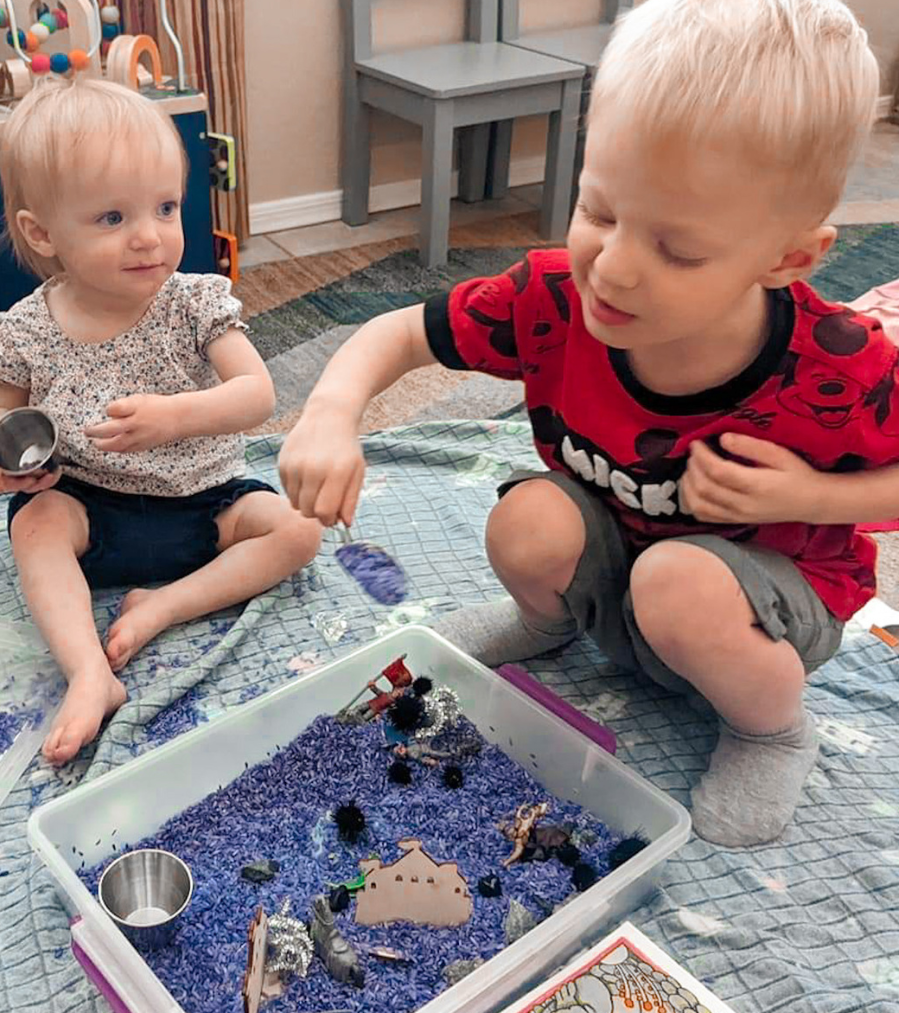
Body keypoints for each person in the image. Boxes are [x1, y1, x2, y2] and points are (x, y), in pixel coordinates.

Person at [278, 0, 899, 846]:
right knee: (527, 518)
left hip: (763, 613)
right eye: (600, 210)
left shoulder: (836, 363)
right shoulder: (554, 300)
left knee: (677, 583)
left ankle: (770, 728)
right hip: (622, 576)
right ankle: (550, 624)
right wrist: (329, 414)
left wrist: (807, 494)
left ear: (787, 258)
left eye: (677, 250)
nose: (614, 267)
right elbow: (395, 336)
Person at [0, 78, 321, 765]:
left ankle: (164, 606)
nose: (149, 237)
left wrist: (177, 417)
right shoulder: (25, 330)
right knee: (33, 525)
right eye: (111, 219)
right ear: (42, 233)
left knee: (298, 529)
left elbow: (257, 392)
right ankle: (89, 674)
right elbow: (1, 413)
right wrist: (8, 454)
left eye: (165, 207)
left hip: (204, 504)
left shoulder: (192, 303)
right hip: (91, 504)